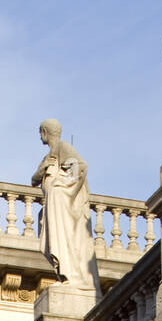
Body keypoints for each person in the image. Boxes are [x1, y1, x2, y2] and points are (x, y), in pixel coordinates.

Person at [31, 121, 101, 294]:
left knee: (65, 238)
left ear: (45, 132)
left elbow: (81, 167)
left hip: (62, 205)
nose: (40, 136)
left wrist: (62, 185)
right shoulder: (49, 155)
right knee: (56, 240)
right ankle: (65, 275)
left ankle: (70, 276)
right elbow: (34, 179)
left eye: (41, 132)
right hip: (52, 206)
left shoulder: (63, 147)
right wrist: (45, 166)